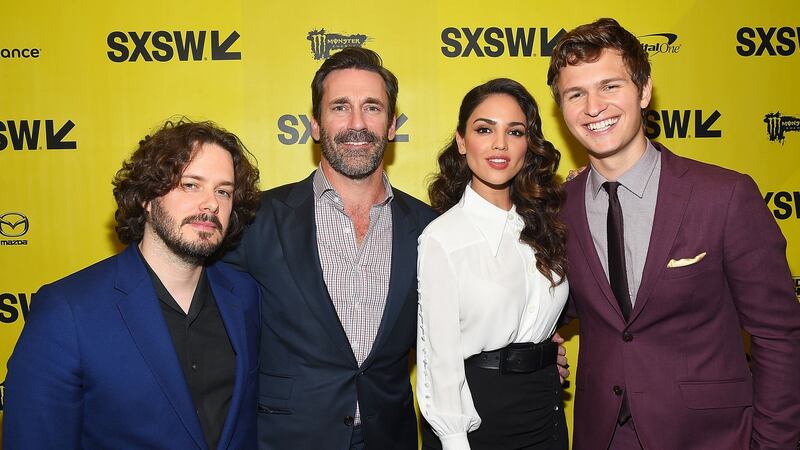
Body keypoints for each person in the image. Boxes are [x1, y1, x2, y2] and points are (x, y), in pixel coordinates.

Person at [547, 18, 800, 449]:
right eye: (576, 93)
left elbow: (779, 337)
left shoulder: (724, 195)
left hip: (709, 437)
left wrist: (774, 444)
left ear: (644, 91)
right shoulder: (559, 208)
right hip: (602, 436)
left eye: (610, 86)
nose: (593, 107)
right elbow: (559, 303)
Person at [224, 47, 438, 450]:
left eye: (372, 108)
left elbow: (464, 315)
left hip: (389, 436)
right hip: (288, 438)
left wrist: (534, 337)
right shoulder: (256, 219)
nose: (357, 124)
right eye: (340, 107)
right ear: (315, 126)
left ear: (392, 125)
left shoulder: (429, 228)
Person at [3, 120, 263, 450]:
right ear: (147, 198)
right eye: (190, 185)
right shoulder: (67, 311)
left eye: (223, 191)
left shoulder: (244, 296)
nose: (211, 203)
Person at [416, 78, 569, 450]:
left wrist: (543, 349)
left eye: (514, 132)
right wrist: (454, 439)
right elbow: (439, 358)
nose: (500, 144)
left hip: (545, 407)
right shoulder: (442, 238)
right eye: (484, 129)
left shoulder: (545, 224)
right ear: (462, 141)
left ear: (528, 145)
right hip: (479, 416)